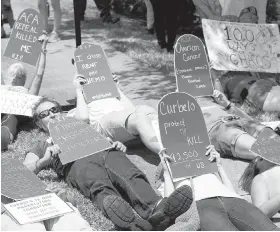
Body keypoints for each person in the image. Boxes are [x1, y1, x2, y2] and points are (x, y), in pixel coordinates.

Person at [23, 75, 194, 231]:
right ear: (39, 124)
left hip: (108, 152)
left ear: (61, 111)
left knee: (131, 175)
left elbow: (88, 122)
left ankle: (159, 210)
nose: (52, 115)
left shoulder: (77, 124)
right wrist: (43, 161)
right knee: (99, 186)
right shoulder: (42, 145)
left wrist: (116, 144)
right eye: (44, 114)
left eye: (54, 110)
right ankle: (134, 224)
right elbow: (25, 170)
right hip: (78, 165)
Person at [156, 145, 280, 230]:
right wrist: (166, 173)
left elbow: (233, 193)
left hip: (232, 199)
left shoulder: (208, 169)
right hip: (201, 205)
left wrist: (219, 167)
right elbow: (169, 205)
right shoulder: (167, 174)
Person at [67, 74, 164, 156]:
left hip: (124, 118)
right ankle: (166, 155)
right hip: (104, 121)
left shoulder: (111, 97)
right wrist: (79, 91)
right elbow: (83, 118)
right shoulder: (80, 106)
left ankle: (172, 145)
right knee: (139, 117)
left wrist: (117, 90)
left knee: (146, 110)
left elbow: (131, 110)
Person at [196, 90, 280, 161]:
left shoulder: (210, 98)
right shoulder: (185, 105)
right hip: (218, 129)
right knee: (269, 152)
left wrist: (227, 104)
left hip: (238, 119)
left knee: (276, 143)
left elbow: (250, 120)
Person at [1, 35, 48, 151]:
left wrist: (43, 49)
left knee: (10, 120)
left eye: (19, 75)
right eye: (14, 74)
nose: (15, 78)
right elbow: (39, 74)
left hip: (11, 117)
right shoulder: (3, 87)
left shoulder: (28, 94)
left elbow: (39, 74)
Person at [1, 188, 93, 231]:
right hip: (12, 211)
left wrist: (60, 196)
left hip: (45, 205)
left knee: (71, 220)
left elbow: (71, 201)